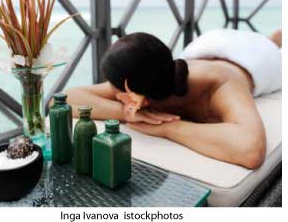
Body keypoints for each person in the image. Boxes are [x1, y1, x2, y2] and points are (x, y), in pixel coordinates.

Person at [64, 29, 282, 169]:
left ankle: (272, 40)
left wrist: (166, 128)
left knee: (269, 45)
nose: (115, 96)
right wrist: (128, 113)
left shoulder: (222, 84)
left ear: (132, 92)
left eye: (118, 93)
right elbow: (67, 99)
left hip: (255, 58)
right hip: (209, 44)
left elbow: (251, 150)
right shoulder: (147, 80)